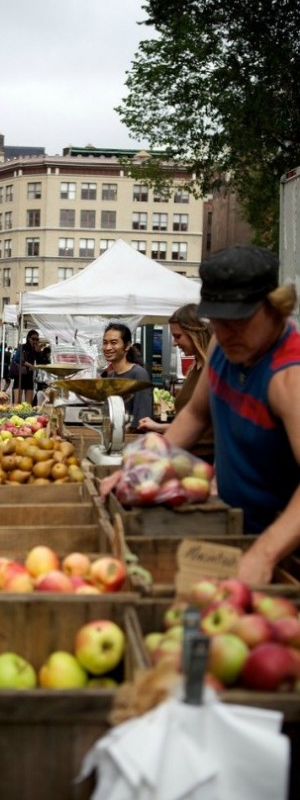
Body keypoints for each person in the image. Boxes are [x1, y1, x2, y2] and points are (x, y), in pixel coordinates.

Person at [105, 245, 300, 586]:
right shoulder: (221, 348)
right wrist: (140, 471)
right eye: (218, 322)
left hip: (282, 550)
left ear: (275, 308)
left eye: (238, 321)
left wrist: (265, 553)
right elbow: (196, 414)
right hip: (233, 529)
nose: (226, 333)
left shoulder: (289, 378)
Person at [138, 304, 215, 463]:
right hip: (186, 456)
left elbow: (207, 428)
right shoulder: (195, 368)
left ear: (195, 334)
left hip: (206, 460)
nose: (174, 343)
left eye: (178, 336)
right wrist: (158, 427)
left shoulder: (214, 370)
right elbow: (192, 422)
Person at [100, 322, 152, 431]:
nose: (108, 347)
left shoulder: (138, 374)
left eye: (114, 343)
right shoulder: (111, 376)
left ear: (127, 346)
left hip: (132, 440)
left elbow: (143, 418)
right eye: (105, 343)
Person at [12, 329, 44, 404]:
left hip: (29, 377)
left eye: (37, 339)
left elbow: (40, 362)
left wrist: (38, 352)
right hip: (20, 376)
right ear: (28, 338)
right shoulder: (22, 347)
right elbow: (16, 358)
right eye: (33, 339)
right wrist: (29, 365)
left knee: (28, 405)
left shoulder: (35, 349)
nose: (35, 341)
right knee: (17, 403)